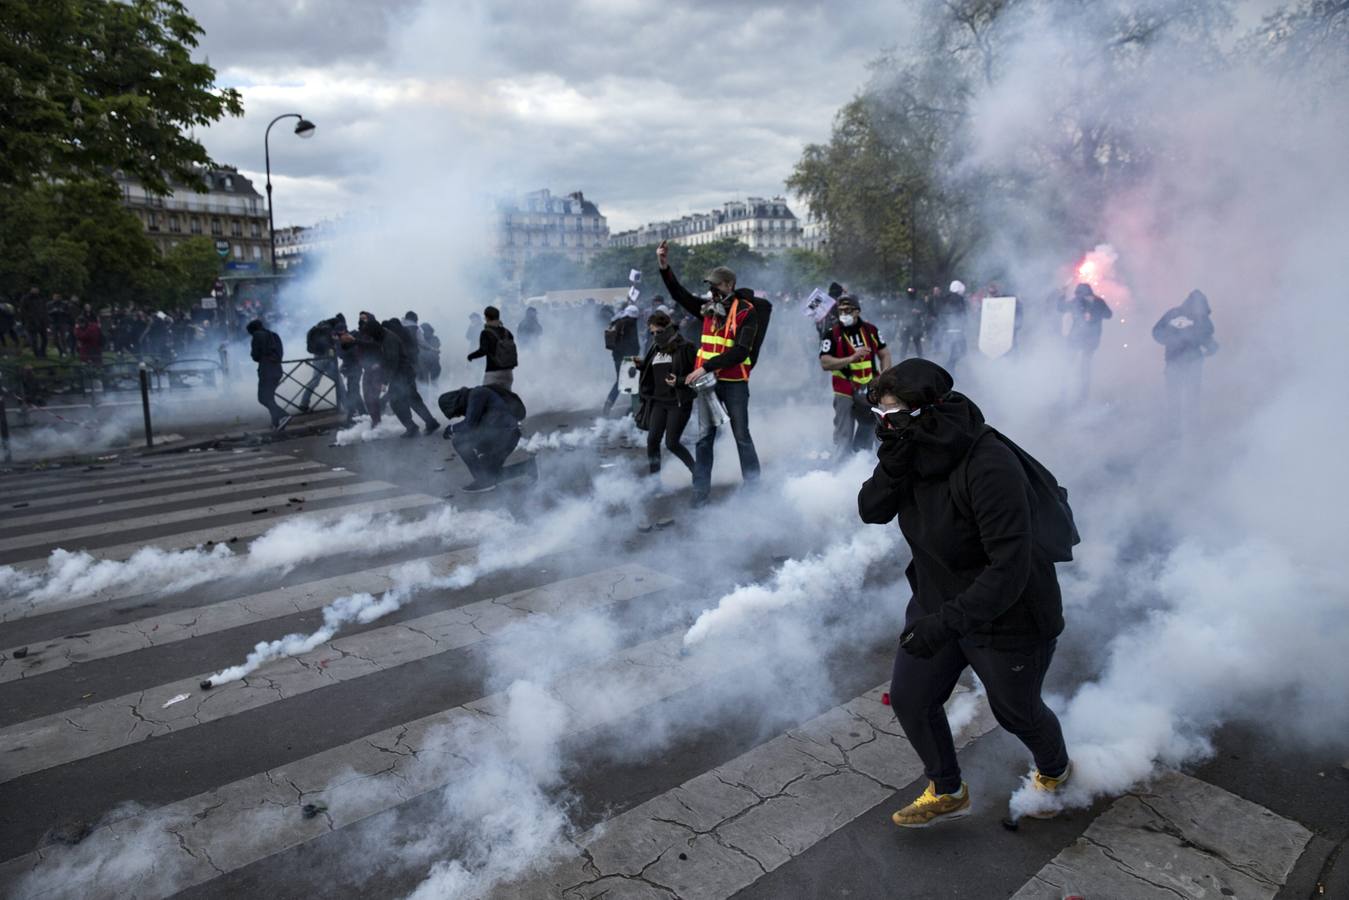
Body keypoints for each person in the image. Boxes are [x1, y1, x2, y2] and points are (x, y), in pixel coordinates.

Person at [858, 359, 1072, 828]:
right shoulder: (910, 445)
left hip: (1009, 615)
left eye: (891, 416)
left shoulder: (989, 464)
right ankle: (948, 789)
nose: (883, 427)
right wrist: (891, 465)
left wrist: (942, 625)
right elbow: (871, 509)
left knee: (1017, 713)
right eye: (878, 417)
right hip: (939, 598)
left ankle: (1056, 771)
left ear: (926, 412)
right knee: (912, 700)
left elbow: (1009, 569)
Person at [657, 239, 763, 507]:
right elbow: (680, 295)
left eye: (715, 287)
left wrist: (705, 366)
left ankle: (754, 489)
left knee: (742, 436)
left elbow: (740, 352)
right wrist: (664, 266)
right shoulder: (707, 308)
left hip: (734, 383)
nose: (711, 292)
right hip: (708, 385)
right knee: (704, 439)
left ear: (729, 286)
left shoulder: (747, 313)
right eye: (710, 288)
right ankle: (700, 493)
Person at [820, 295, 892, 456]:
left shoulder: (871, 330)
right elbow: (825, 363)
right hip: (844, 388)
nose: (843, 314)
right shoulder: (832, 333)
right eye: (840, 311)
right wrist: (851, 358)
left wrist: (884, 377)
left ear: (857, 311)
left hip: (870, 387)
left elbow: (885, 354)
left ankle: (861, 460)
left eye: (847, 310)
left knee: (873, 424)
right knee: (844, 431)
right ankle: (840, 466)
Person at [635, 310, 697, 476]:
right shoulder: (655, 347)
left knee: (672, 443)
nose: (655, 336)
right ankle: (654, 481)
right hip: (658, 402)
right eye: (652, 332)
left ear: (669, 328)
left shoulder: (686, 347)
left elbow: (698, 376)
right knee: (652, 441)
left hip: (678, 402)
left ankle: (697, 471)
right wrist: (640, 365)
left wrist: (679, 381)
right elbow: (651, 367)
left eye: (659, 332)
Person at [438, 384, 526, 493]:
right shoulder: (474, 398)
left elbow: (469, 425)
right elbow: (477, 430)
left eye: (455, 413)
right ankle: (530, 467)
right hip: (503, 437)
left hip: (505, 437)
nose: (458, 415)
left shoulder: (477, 394)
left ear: (454, 403)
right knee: (492, 474)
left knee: (459, 441)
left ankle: (483, 481)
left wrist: (451, 429)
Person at [1152, 289, 1217, 424]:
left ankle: (1188, 424)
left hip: (1191, 362)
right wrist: (1171, 340)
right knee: (1177, 395)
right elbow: (1156, 332)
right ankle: (1177, 426)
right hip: (1176, 361)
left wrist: (1211, 347)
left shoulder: (1200, 317)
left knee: (1189, 395)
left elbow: (1206, 336)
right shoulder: (1175, 314)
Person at [385, 316, 439, 435]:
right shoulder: (406, 334)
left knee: (401, 400)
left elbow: (394, 360)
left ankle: (414, 427)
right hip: (409, 371)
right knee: (412, 400)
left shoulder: (394, 339)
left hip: (403, 374)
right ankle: (427, 423)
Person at [1060, 283, 1112, 402]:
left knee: (1078, 367)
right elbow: (1061, 308)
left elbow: (1109, 315)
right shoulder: (1092, 301)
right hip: (1084, 340)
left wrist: (1094, 314)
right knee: (1077, 367)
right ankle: (1074, 394)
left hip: (1083, 340)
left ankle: (1076, 395)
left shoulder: (1094, 302)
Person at [246, 319, 290, 431]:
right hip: (277, 369)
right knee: (270, 397)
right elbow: (280, 353)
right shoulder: (274, 335)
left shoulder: (256, 335)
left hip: (266, 370)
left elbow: (255, 355)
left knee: (263, 398)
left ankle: (283, 415)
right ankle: (276, 423)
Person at [466, 305, 517, 390]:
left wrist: (471, 356)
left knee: (487, 399)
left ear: (486, 317)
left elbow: (483, 350)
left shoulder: (486, 332)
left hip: (493, 373)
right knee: (507, 400)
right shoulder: (507, 332)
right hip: (508, 373)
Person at [603, 303, 641, 414]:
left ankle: (609, 403)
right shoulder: (630, 324)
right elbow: (633, 343)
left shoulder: (618, 321)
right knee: (633, 383)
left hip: (617, 356)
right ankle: (635, 408)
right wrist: (635, 357)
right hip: (628, 357)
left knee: (621, 381)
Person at [298, 316, 339, 413]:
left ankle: (304, 404)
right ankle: (347, 404)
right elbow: (330, 343)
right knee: (338, 382)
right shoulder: (329, 329)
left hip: (317, 357)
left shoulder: (316, 328)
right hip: (328, 357)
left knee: (314, 381)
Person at [333, 314, 366, 424]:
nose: (337, 335)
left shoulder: (350, 340)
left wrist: (339, 343)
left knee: (353, 392)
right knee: (353, 392)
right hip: (351, 370)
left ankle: (353, 416)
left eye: (338, 333)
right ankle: (362, 414)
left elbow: (344, 353)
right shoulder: (344, 340)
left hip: (355, 369)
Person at [934, 281, 969, 373]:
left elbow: (940, 312)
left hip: (947, 329)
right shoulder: (959, 299)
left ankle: (950, 369)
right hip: (956, 329)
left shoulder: (945, 298)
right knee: (962, 351)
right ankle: (948, 368)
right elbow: (963, 314)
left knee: (953, 351)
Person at [897, 287, 930, 360]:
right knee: (905, 343)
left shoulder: (919, 301)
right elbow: (900, 311)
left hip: (916, 324)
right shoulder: (904, 301)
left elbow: (925, 310)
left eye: (912, 292)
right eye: (909, 292)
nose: (911, 294)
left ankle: (921, 358)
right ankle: (901, 359)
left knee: (917, 342)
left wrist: (918, 312)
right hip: (906, 324)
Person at [19, 287, 48, 358]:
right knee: (34, 340)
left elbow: (44, 309)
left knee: (45, 339)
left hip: (42, 321)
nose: (36, 290)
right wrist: (27, 319)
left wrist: (46, 319)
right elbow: (22, 310)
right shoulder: (25, 298)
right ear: (31, 289)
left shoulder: (41, 298)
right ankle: (37, 354)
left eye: (37, 289)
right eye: (34, 289)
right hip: (31, 322)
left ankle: (42, 352)